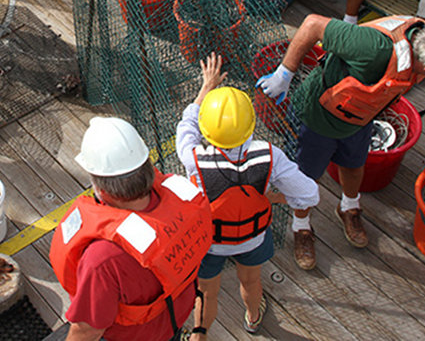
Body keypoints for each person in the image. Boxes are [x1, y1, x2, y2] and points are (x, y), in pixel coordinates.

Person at [256, 14, 425, 270]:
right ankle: (301, 225)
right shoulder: (373, 47)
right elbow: (312, 24)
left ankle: (348, 207)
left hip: (360, 117)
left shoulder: (422, 41)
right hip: (318, 117)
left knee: (354, 164)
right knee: (306, 176)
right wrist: (284, 73)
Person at [176, 53, 318, 337]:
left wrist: (207, 87)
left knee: (205, 293)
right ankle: (253, 319)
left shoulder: (193, 158)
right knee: (251, 282)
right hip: (251, 238)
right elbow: (309, 195)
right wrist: (274, 199)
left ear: (208, 130)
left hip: (210, 242)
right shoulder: (270, 155)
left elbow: (187, 125)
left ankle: (199, 333)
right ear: (251, 125)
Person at [49, 116, 213, 341]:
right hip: (176, 316)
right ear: (146, 168)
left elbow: (88, 330)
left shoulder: (102, 260)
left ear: (101, 190)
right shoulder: (183, 197)